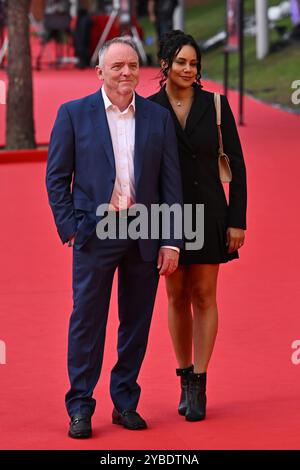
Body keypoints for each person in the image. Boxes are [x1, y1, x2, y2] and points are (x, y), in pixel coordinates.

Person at [46, 36, 183, 438]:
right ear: (100, 71)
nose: (126, 73)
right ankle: (80, 407)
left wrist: (171, 239)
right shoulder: (73, 114)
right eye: (118, 66)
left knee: (136, 322)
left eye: (133, 66)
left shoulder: (157, 119)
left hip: (145, 232)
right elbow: (57, 177)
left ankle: (124, 402)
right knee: (87, 320)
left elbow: (170, 183)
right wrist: (71, 227)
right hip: (95, 231)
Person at [149, 30, 247, 422]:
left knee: (204, 295)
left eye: (194, 63)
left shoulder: (217, 106)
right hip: (168, 218)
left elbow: (237, 168)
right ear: (165, 66)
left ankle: (200, 382)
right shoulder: (150, 109)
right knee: (176, 296)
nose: (189, 69)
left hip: (210, 214)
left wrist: (237, 220)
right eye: (181, 63)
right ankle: (183, 375)